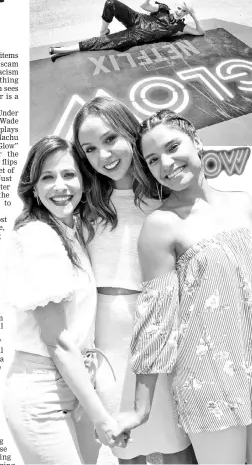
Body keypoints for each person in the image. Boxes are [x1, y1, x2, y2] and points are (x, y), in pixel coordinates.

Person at [114, 109, 252, 464]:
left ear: (196, 141)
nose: (165, 163)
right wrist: (140, 409)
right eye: (153, 159)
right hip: (209, 379)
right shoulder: (161, 225)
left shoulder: (243, 201)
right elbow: (155, 321)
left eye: (172, 147)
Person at [72, 97, 195, 464]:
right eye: (89, 149)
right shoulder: (84, 203)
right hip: (108, 344)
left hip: (163, 336)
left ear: (129, 132)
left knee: (178, 447)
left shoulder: (167, 194)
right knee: (127, 448)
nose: (103, 156)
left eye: (110, 139)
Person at [1, 136, 127, 464]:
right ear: (34, 187)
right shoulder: (40, 237)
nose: (60, 186)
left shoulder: (70, 230)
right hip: (43, 392)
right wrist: (102, 416)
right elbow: (57, 341)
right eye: (47, 177)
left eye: (69, 175)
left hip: (74, 382)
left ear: (85, 182)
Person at [49, 0, 204, 62]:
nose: (180, 12)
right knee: (111, 3)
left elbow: (200, 32)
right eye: (179, 8)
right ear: (175, 5)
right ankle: (103, 30)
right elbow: (144, 6)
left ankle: (61, 50)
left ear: (186, 13)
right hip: (138, 18)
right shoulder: (163, 9)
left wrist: (194, 15)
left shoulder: (180, 26)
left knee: (101, 43)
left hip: (136, 35)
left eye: (184, 11)